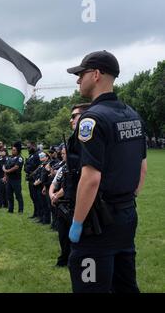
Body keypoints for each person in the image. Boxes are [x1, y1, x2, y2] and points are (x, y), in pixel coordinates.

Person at [66, 50, 147, 292]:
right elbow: (141, 168)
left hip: (98, 222)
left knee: (90, 286)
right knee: (124, 285)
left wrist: (77, 222)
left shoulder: (92, 119)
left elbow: (91, 178)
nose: (78, 79)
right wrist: (126, 201)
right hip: (126, 215)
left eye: (82, 74)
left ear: (97, 74)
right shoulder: (132, 114)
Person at [3, 142, 24, 214]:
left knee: (18, 195)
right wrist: (5, 176)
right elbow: (6, 166)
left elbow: (16, 167)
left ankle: (20, 210)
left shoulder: (20, 158)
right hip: (9, 179)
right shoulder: (10, 158)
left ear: (18, 150)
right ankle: (10, 209)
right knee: (9, 194)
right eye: (12, 150)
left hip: (16, 179)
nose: (12, 151)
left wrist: (7, 171)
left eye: (14, 150)